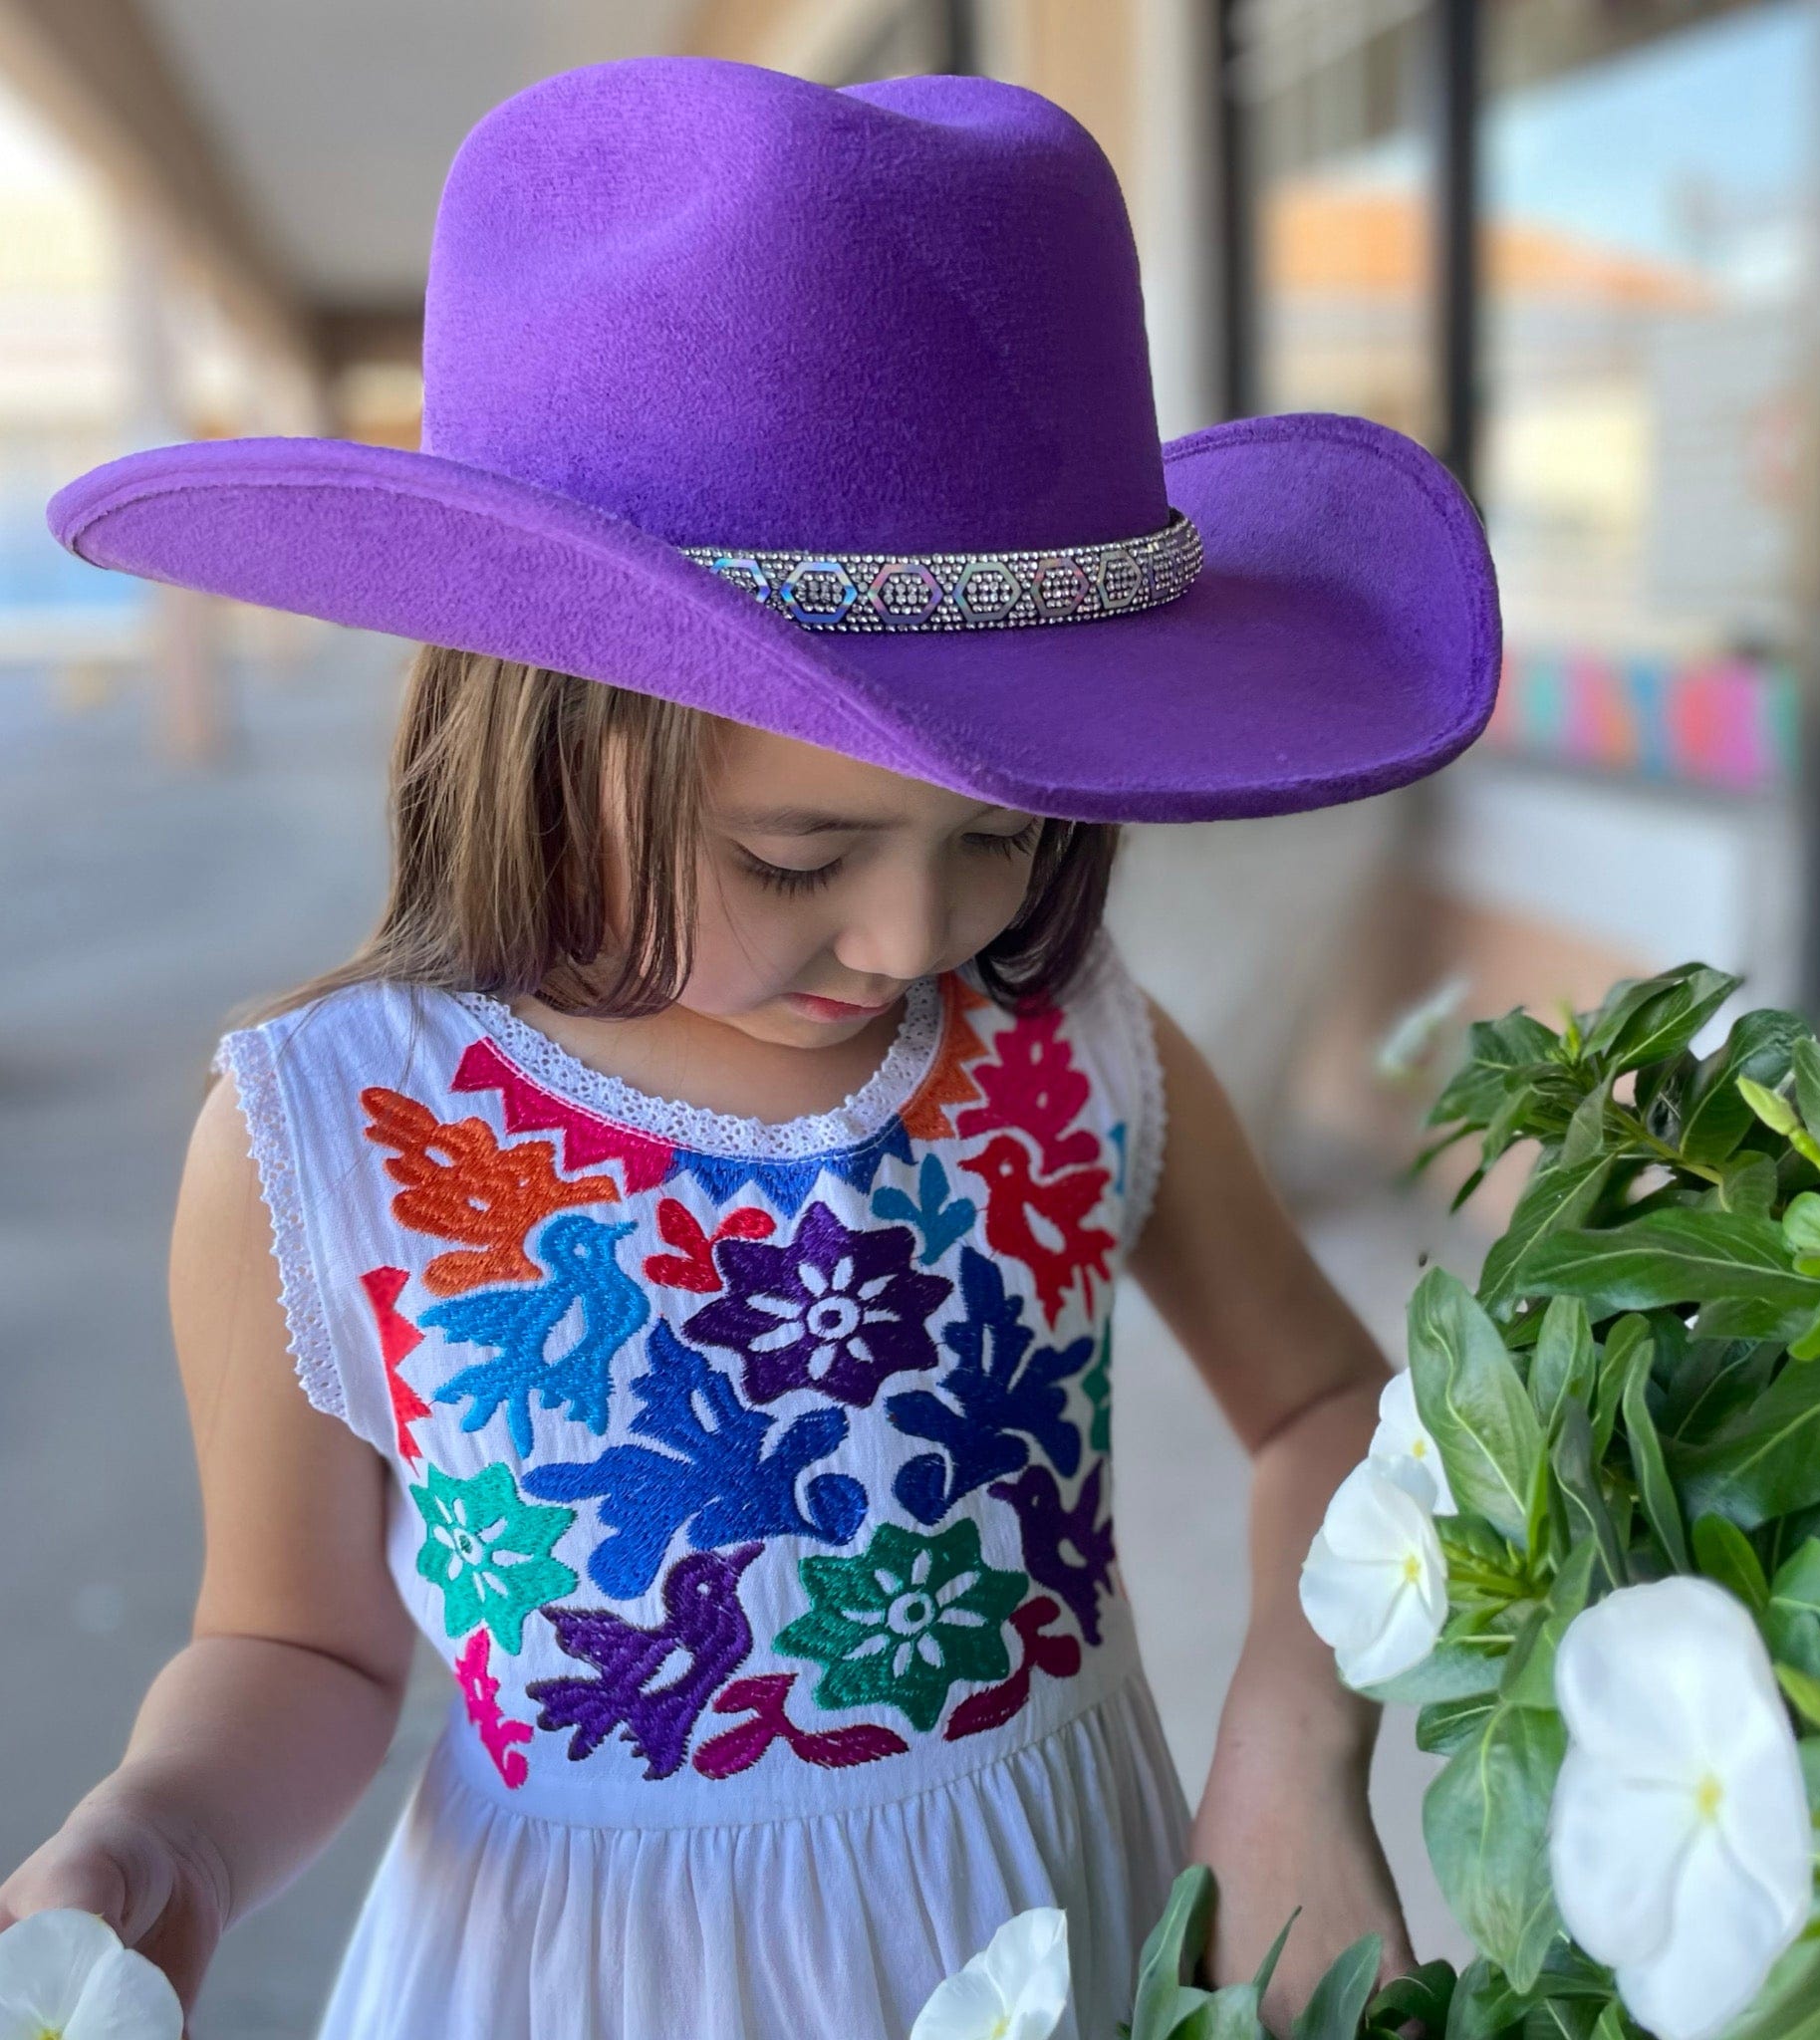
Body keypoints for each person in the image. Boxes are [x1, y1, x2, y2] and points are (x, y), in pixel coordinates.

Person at [5, 56, 1499, 2040]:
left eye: (999, 827)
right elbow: (297, 1637)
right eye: (797, 855)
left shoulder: (1075, 1059)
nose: (911, 937)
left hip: (1065, 1922)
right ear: (534, 725)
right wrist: (167, 1838)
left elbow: (1332, 1415)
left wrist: (1290, 1746)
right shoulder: (327, 1139)